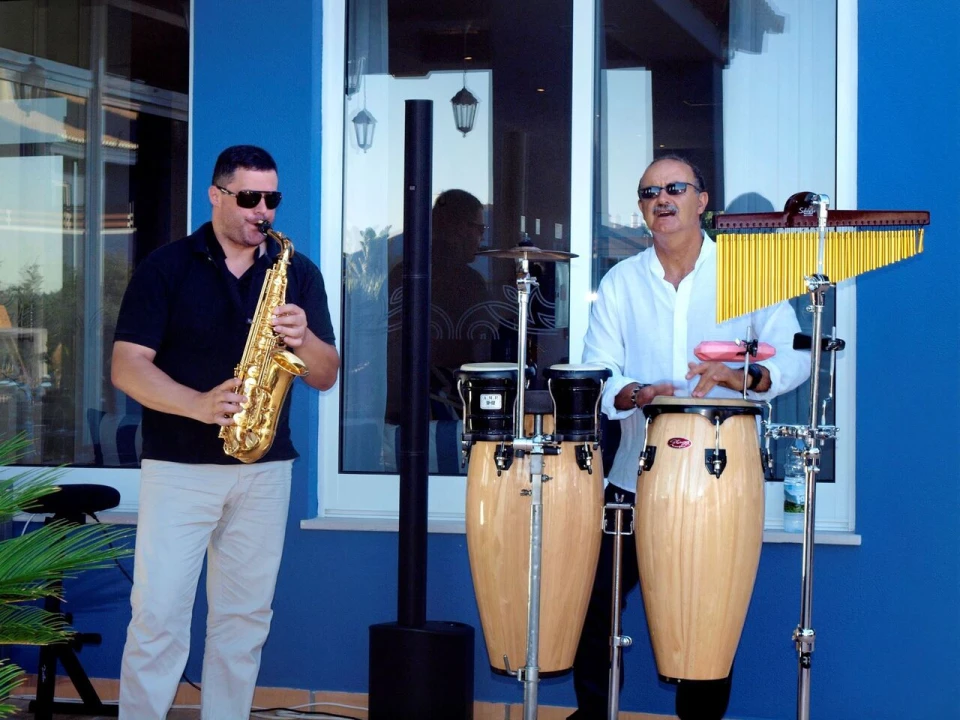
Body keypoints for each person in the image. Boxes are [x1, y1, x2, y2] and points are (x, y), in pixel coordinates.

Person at [570, 155, 810, 719]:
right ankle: (592, 712)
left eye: (675, 187)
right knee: (592, 602)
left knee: (707, 608)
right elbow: (598, 370)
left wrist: (741, 376)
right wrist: (635, 393)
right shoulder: (621, 281)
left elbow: (795, 355)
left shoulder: (748, 273)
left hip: (718, 481)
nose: (662, 199)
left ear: (702, 200)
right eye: (649, 191)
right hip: (632, 476)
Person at [112, 144, 340, 719]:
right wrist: (198, 404)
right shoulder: (165, 267)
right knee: (159, 616)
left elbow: (325, 374)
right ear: (216, 196)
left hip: (264, 469)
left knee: (244, 619)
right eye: (248, 198)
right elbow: (127, 367)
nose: (262, 211)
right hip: (180, 469)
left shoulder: (296, 271)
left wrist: (303, 337)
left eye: (272, 199)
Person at [383, 189, 493, 470]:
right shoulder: (468, 281)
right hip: (443, 410)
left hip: (398, 410)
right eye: (479, 228)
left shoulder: (400, 271)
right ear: (457, 228)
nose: (481, 237)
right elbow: (477, 358)